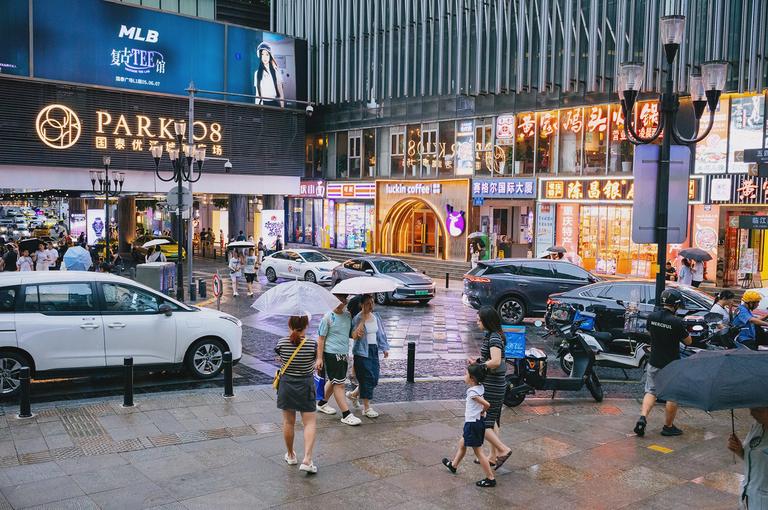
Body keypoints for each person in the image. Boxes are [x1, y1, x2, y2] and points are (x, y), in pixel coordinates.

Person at [634, 289, 693, 437]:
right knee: (672, 395)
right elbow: (688, 341)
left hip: (654, 360)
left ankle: (642, 418)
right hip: (671, 364)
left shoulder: (652, 317)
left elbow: (649, 332)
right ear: (676, 304)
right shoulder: (676, 322)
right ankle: (668, 426)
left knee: (651, 391)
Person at [274, 315, 318, 474]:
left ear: (289, 324)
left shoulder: (282, 342)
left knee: (288, 422)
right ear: (306, 325)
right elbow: (315, 360)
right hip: (305, 385)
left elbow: (279, 357)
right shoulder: (312, 344)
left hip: (287, 385)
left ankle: (291, 455)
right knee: (309, 423)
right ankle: (307, 459)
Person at [471, 307, 513, 470]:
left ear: (487, 321)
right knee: (493, 420)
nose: (477, 322)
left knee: (484, 422)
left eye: (479, 320)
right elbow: (491, 358)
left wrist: (480, 366)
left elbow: (495, 361)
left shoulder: (494, 338)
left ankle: (503, 450)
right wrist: (478, 361)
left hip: (493, 384)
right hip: (495, 382)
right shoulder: (493, 335)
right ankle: (493, 457)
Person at [441, 363, 496, 488]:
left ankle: (490, 478)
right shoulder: (480, 387)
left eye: (466, 374)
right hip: (476, 423)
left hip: (473, 424)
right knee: (462, 443)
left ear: (472, 378)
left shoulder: (472, 392)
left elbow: (487, 404)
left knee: (479, 452)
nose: (464, 376)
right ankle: (454, 465)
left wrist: (483, 410)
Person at [315, 294, 362, 425]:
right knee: (339, 384)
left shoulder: (348, 316)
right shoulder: (328, 317)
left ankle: (322, 403)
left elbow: (350, 334)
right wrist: (319, 358)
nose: (340, 302)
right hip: (331, 354)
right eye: (337, 300)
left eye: (342, 300)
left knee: (334, 380)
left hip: (343, 354)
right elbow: (321, 339)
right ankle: (346, 414)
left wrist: (356, 333)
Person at [350, 294, 389, 419]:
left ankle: (354, 394)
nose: (371, 305)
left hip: (373, 350)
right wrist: (361, 324)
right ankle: (367, 408)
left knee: (374, 378)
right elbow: (354, 336)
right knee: (367, 377)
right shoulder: (357, 318)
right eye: (367, 303)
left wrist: (384, 348)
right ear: (361, 305)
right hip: (362, 352)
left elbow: (381, 333)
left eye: (372, 302)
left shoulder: (376, 316)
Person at [727, 407, 768, 509]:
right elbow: (758, 461)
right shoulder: (757, 425)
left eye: (758, 410)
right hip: (749, 496)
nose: (751, 413)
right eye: (751, 408)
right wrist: (740, 451)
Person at [254, 42, 285, 107]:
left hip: (275, 105)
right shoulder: (257, 73)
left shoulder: (276, 72)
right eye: (262, 54)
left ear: (270, 56)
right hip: (262, 105)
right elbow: (257, 94)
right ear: (260, 55)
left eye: (267, 54)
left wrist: (282, 109)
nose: (264, 57)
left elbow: (281, 95)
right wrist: (257, 108)